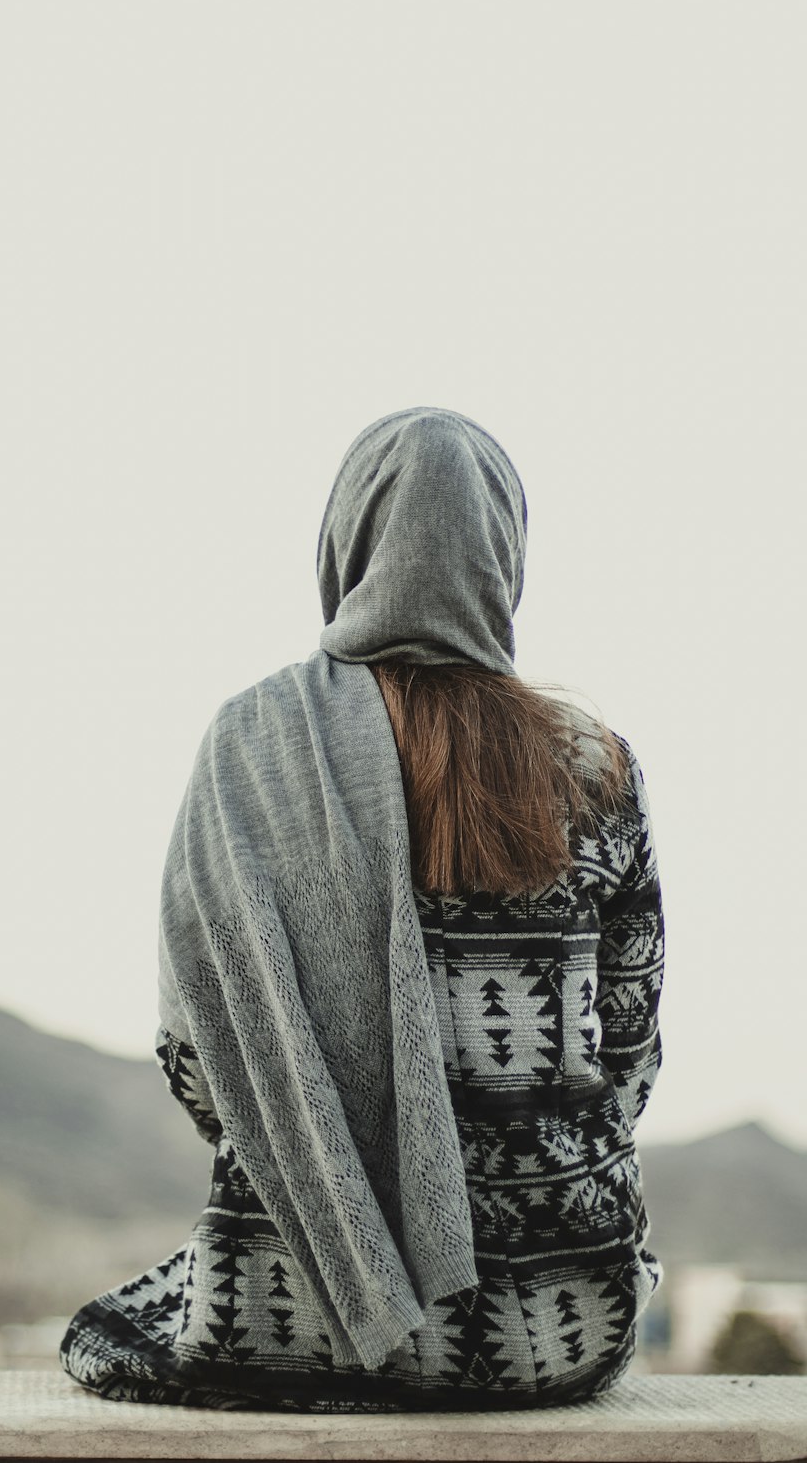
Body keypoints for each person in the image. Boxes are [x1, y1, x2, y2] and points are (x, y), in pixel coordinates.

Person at [58, 405, 665, 1412]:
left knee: (104, 1336)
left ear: (346, 544)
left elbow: (200, 1054)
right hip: (569, 1318)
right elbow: (630, 1053)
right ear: (505, 555)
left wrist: (324, 1165)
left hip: (299, 1306)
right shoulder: (594, 761)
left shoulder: (253, 743)